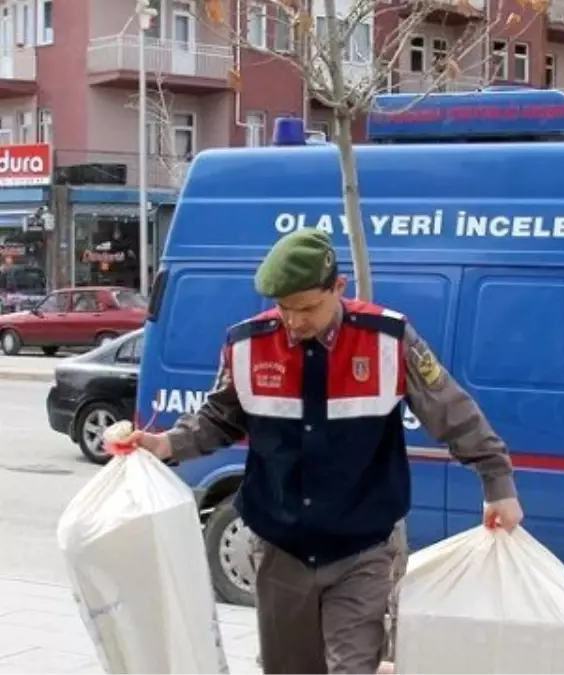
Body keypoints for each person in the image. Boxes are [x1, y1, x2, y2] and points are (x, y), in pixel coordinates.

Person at [131, 229, 523, 675]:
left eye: (308, 307)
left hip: (363, 547)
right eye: (284, 308)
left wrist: (497, 481)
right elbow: (218, 418)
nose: (295, 322)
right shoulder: (247, 345)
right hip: (280, 547)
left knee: (353, 669)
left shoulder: (388, 339)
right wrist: (164, 445)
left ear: (339, 288)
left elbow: (453, 412)